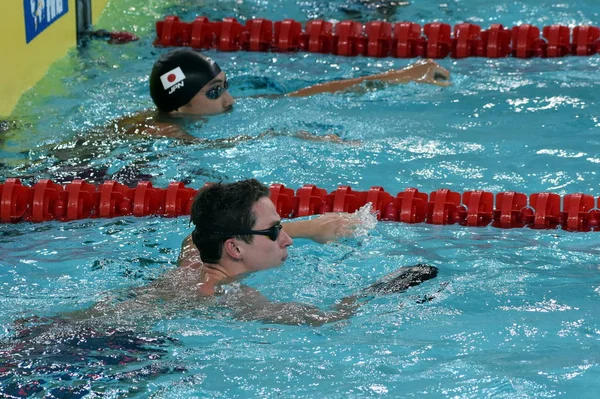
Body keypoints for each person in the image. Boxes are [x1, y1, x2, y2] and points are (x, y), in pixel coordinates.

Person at [172, 178, 439, 325]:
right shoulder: (232, 298)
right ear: (234, 248)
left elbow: (192, 237)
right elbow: (327, 319)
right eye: (274, 230)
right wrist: (381, 290)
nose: (288, 240)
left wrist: (313, 227)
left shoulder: (193, 264)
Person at [116, 48, 451, 138]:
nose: (231, 101)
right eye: (215, 92)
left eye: (225, 86)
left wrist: (401, 76)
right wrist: (288, 134)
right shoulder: (161, 130)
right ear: (179, 107)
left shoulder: (195, 114)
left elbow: (305, 95)